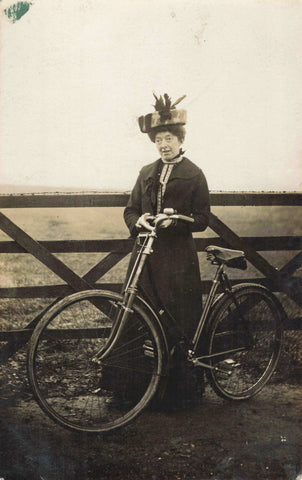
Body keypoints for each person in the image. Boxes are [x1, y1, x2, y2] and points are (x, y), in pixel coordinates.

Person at [123, 93, 210, 408]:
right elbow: (130, 210)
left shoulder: (194, 174)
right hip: (145, 259)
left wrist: (174, 221)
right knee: (138, 318)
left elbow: (202, 219)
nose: (164, 144)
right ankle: (133, 393)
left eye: (169, 138)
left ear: (180, 139)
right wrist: (140, 220)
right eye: (159, 139)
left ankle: (176, 396)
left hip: (177, 263)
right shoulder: (145, 171)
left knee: (175, 322)